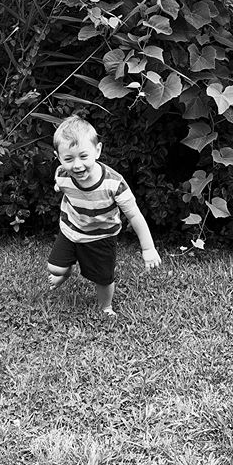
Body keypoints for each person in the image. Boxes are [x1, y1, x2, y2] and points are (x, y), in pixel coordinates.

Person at [47, 115, 162, 317]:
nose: (77, 165)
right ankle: (65, 273)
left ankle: (106, 307)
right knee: (55, 268)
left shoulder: (114, 184)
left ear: (97, 151)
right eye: (68, 159)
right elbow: (60, 183)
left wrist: (148, 248)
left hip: (101, 236)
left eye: (84, 156)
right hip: (71, 229)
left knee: (103, 279)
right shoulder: (62, 174)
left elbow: (134, 216)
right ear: (59, 157)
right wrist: (59, 186)